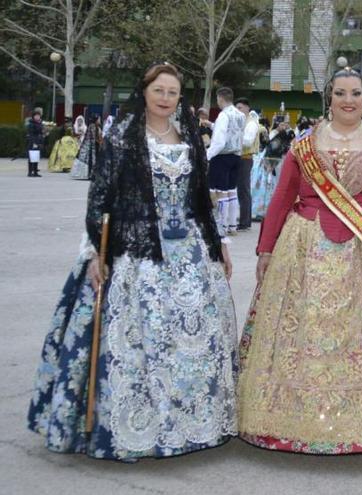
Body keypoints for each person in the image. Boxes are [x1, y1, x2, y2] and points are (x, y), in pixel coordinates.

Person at [26, 63, 237, 461]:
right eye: (158, 90)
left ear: (180, 98)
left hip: (188, 249)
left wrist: (218, 242)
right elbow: (101, 199)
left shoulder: (189, 136)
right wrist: (95, 252)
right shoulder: (124, 137)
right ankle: (135, 425)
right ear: (144, 92)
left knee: (194, 336)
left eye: (172, 92)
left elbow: (199, 198)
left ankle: (192, 423)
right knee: (141, 337)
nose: (164, 98)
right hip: (136, 250)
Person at [237, 67, 362, 455]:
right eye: (341, 93)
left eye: (356, 94)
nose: (349, 100)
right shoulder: (304, 145)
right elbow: (282, 198)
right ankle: (292, 420)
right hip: (307, 250)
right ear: (328, 98)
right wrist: (266, 248)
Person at [207, 87, 245, 236]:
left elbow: (219, 141)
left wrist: (207, 155)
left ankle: (221, 225)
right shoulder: (240, 115)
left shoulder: (223, 115)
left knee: (220, 192)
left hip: (222, 156)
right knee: (231, 191)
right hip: (236, 155)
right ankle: (232, 225)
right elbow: (237, 134)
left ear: (220, 98)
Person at [235, 98, 259, 231]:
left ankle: (245, 221)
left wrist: (234, 136)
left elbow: (248, 141)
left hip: (245, 158)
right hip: (240, 157)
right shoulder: (243, 122)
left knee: (243, 189)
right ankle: (244, 220)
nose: (238, 110)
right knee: (241, 190)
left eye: (240, 108)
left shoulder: (251, 123)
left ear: (246, 108)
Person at [71, 115, 102, 181]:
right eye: (99, 119)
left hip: (92, 147)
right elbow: (93, 138)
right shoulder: (93, 126)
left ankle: (91, 174)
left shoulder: (95, 127)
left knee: (92, 161)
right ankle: (90, 174)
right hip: (90, 148)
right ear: (96, 120)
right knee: (90, 161)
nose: (99, 121)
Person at [26, 109, 45, 177]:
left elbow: (40, 132)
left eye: (38, 116)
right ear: (33, 116)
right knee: (31, 157)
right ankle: (30, 172)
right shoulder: (31, 124)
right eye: (36, 116)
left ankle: (35, 172)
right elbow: (30, 134)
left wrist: (44, 134)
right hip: (33, 142)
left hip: (38, 142)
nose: (37, 117)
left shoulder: (40, 123)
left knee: (36, 157)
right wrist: (33, 142)